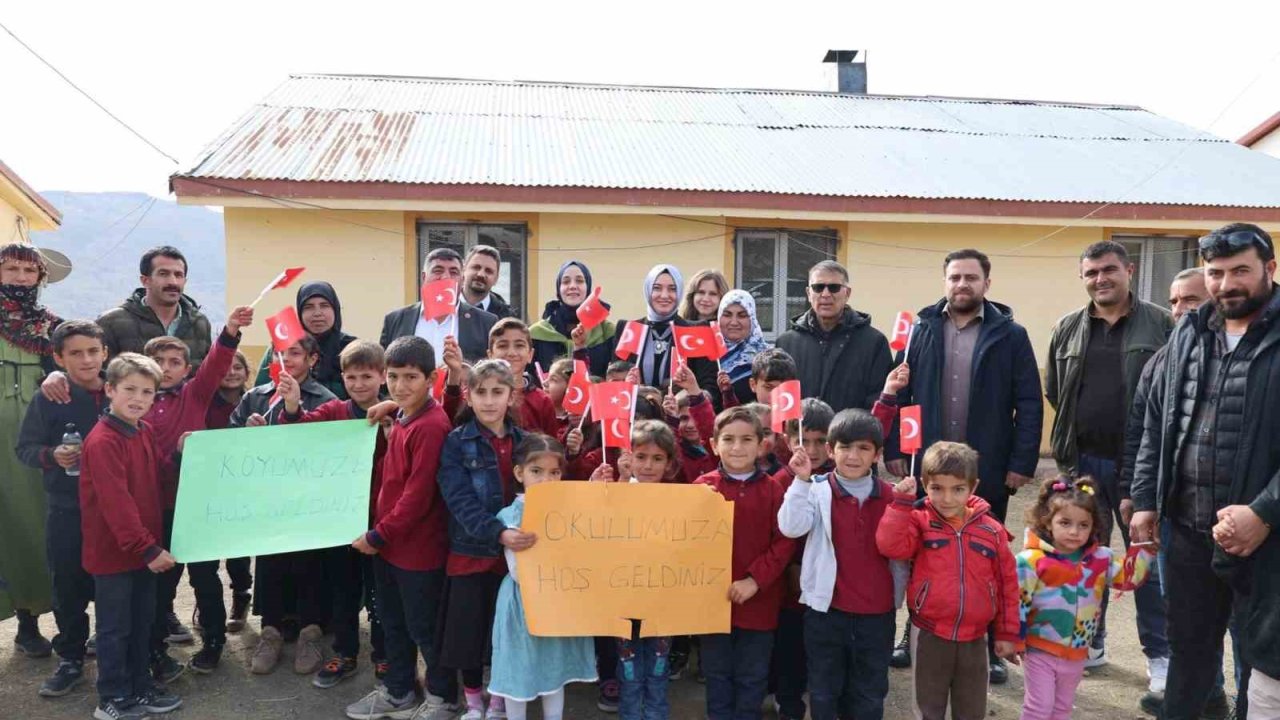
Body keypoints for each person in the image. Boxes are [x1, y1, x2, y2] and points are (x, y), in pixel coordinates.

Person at [1130, 223, 1280, 720]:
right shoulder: (1190, 333)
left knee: (1258, 664)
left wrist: (1264, 512)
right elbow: (1158, 422)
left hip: (1266, 543)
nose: (1226, 284)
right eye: (1216, 273)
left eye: (1241, 270)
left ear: (1270, 269)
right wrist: (1148, 499)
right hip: (1187, 531)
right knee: (1189, 654)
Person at [884, 248, 1043, 681]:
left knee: (985, 555)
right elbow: (901, 394)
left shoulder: (1011, 335)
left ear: (987, 284)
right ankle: (912, 634)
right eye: (955, 277)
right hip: (930, 468)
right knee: (923, 553)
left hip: (987, 466)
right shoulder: (921, 330)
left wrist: (1021, 460)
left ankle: (988, 645)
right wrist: (896, 448)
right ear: (945, 281)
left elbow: (1028, 401)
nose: (962, 285)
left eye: (971, 278)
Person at [1045, 240, 1172, 682]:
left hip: (1141, 467)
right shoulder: (1067, 327)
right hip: (1082, 464)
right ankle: (1090, 641)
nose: (1101, 278)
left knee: (1145, 562)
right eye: (1092, 272)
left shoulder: (1161, 324)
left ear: (1129, 270)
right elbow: (1055, 390)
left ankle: (1159, 657)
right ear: (1083, 277)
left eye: (1109, 270)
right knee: (1084, 557)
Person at [1118, 268, 1227, 717]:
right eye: (1175, 300)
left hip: (1237, 521)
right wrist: (1139, 497)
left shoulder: (1244, 355)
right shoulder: (1162, 360)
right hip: (1176, 514)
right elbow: (1143, 434)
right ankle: (1210, 696)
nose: (1180, 310)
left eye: (1192, 301)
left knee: (1240, 625)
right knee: (1187, 621)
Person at [344, 336, 455, 720]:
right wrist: (394, 408)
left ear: (432, 378)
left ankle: (442, 698)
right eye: (393, 376)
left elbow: (418, 496)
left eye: (411, 377)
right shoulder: (406, 415)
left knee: (424, 628)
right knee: (393, 623)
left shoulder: (431, 426)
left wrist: (378, 535)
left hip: (417, 552)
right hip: (391, 550)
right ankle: (400, 690)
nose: (401, 385)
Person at [876, 442, 1022, 720]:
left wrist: (1006, 634)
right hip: (929, 634)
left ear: (973, 487)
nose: (947, 499)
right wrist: (900, 504)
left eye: (957, 489)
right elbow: (890, 546)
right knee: (929, 708)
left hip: (976, 638)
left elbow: (1007, 585)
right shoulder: (919, 521)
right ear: (924, 484)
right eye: (937, 488)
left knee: (971, 710)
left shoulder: (992, 530)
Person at [277, 340, 390, 689]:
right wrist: (293, 404)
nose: (359, 384)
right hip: (340, 521)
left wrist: (392, 425)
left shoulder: (395, 412)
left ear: (382, 376)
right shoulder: (333, 411)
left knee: (381, 593)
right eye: (352, 376)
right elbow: (302, 434)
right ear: (342, 377)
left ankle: (386, 656)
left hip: (379, 520)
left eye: (367, 376)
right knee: (342, 590)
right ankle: (345, 652)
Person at [80, 353, 183, 720]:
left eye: (147, 391)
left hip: (142, 553)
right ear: (110, 389)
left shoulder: (144, 430)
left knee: (142, 623)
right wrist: (147, 547)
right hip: (115, 557)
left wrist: (184, 455)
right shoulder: (103, 441)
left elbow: (156, 477)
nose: (138, 398)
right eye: (130, 390)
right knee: (114, 629)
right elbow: (116, 504)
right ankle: (112, 698)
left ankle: (139, 686)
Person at [776, 409, 896, 720]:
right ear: (831, 451)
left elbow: (904, 547)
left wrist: (908, 506)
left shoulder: (892, 497)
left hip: (876, 616)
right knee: (824, 690)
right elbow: (791, 527)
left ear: (877, 454)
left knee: (869, 693)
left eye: (863, 448)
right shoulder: (815, 489)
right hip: (825, 614)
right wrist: (800, 482)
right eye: (844, 447)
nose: (853, 456)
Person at [16, 321, 108, 697]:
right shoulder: (50, 396)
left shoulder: (121, 390)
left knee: (114, 584)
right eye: (75, 353)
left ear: (105, 352)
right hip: (67, 508)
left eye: (93, 351)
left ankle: (114, 651)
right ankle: (70, 658)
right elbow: (24, 448)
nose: (86, 359)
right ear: (58, 358)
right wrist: (52, 455)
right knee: (67, 584)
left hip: (114, 510)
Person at [1018, 476, 1154, 720]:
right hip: (1039, 648)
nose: (1074, 531)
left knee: (1062, 708)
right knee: (1038, 708)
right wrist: (1012, 638)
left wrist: (1144, 547)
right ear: (1048, 523)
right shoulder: (1031, 561)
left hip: (1078, 650)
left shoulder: (1101, 559)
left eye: (1083, 525)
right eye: (1065, 522)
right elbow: (1017, 601)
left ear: (1094, 527)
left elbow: (1127, 578)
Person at [437, 360, 527, 720]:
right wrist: (497, 532)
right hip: (471, 553)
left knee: (503, 633)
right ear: (468, 396)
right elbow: (458, 499)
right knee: (468, 634)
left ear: (511, 396)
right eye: (481, 392)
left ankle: (500, 699)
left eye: (497, 392)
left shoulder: (525, 442)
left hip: (514, 561)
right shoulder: (456, 443)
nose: (489, 401)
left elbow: (543, 487)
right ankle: (474, 702)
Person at [694, 407, 795, 720]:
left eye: (746, 439)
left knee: (752, 677)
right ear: (714, 444)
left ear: (762, 443)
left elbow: (785, 541)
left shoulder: (774, 490)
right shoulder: (701, 487)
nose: (737, 447)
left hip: (758, 604)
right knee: (717, 675)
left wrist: (755, 580)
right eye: (729, 439)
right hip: (712, 605)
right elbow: (681, 541)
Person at [488, 434, 598, 720]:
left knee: (554, 666)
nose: (545, 480)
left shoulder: (566, 510)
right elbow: (518, 570)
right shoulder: (512, 515)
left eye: (554, 472)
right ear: (519, 473)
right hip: (523, 604)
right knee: (518, 668)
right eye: (536, 471)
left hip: (558, 601)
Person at [0, 242, 62, 657]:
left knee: (42, 526)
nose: (21, 278)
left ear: (41, 278)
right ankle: (24, 619)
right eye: (11, 269)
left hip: (39, 442)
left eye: (29, 271)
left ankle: (48, 620)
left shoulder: (55, 329)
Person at [609, 420, 680, 719]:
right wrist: (619, 484)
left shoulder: (681, 503)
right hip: (623, 604)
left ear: (669, 464)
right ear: (628, 457)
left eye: (657, 458)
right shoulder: (615, 494)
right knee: (629, 672)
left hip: (664, 605)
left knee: (658, 669)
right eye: (641, 457)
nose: (648, 466)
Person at [775, 260, 892, 413]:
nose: (825, 294)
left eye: (834, 288)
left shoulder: (874, 343)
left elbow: (878, 399)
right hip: (800, 435)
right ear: (808, 293)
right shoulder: (786, 343)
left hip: (850, 435)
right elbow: (779, 402)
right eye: (818, 287)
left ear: (847, 293)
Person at [97, 246, 212, 369]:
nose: (173, 282)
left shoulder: (199, 323)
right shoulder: (112, 322)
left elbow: (206, 375)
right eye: (163, 274)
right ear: (145, 280)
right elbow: (101, 376)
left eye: (178, 275)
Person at [611, 265, 718, 397]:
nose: (665, 295)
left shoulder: (696, 330)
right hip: (638, 414)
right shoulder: (628, 329)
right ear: (648, 290)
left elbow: (711, 388)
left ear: (679, 293)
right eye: (657, 288)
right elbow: (614, 379)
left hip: (682, 414)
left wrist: (689, 393)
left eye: (672, 289)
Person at [442, 319, 559, 437]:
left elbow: (553, 448)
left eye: (519, 345)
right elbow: (451, 419)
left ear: (530, 355)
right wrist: (455, 371)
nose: (511, 353)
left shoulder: (542, 401)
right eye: (503, 346)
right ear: (490, 355)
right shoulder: (477, 394)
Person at [206, 351, 254, 635]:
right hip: (212, 482)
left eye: (238, 366)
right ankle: (208, 603)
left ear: (247, 372)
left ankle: (241, 596)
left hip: (243, 485)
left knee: (238, 548)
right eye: (225, 367)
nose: (232, 372)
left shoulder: (257, 399)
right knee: (210, 550)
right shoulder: (205, 402)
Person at [380, 247, 498, 363]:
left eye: (453, 272)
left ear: (462, 280)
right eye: (438, 271)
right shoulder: (395, 320)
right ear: (424, 277)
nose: (446, 277)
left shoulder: (486, 322)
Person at [254, 281, 357, 399]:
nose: (317, 313)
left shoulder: (352, 348)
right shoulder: (283, 347)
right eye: (309, 307)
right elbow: (261, 393)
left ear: (335, 309)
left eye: (324, 305)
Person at [529, 261, 616, 379]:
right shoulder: (536, 333)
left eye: (579, 281)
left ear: (588, 287)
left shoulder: (607, 332)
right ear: (558, 289)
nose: (572, 286)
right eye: (565, 282)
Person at [715, 290, 771, 407]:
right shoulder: (708, 355)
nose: (734, 322)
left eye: (742, 315)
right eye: (727, 315)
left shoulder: (767, 359)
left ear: (752, 319)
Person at [461, 246, 516, 319]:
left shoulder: (508, 319)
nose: (481, 274)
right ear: (463, 270)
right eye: (476, 267)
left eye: (488, 271)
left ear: (496, 279)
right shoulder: (443, 307)